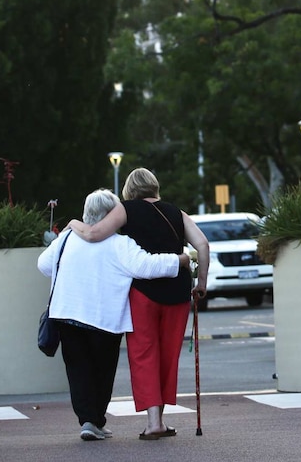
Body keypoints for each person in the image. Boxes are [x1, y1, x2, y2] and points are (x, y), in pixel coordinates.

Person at [38, 188, 193, 442]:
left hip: (66, 314)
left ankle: (88, 420)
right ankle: (96, 419)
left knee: (78, 370)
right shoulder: (119, 244)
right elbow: (146, 267)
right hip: (104, 319)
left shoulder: (66, 239)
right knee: (102, 370)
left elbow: (43, 265)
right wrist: (181, 260)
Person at [68, 167, 210, 440]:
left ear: (130, 190)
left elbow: (95, 233)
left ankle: (153, 422)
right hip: (178, 292)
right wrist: (201, 283)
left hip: (142, 293)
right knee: (168, 356)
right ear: (155, 186)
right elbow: (202, 244)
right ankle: (162, 420)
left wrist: (74, 224)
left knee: (144, 354)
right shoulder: (176, 212)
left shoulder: (126, 209)